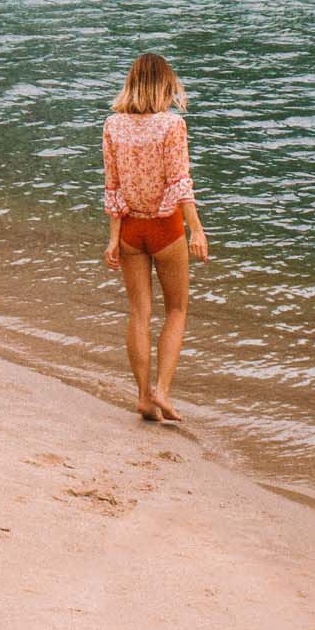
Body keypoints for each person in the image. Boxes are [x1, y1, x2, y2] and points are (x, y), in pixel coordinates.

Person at [102, 51, 208, 423]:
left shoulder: (113, 125)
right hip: (165, 228)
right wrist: (196, 228)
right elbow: (180, 182)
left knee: (139, 313)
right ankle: (162, 390)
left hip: (131, 228)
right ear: (165, 85)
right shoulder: (171, 125)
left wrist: (113, 238)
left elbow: (112, 188)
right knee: (176, 310)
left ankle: (143, 397)